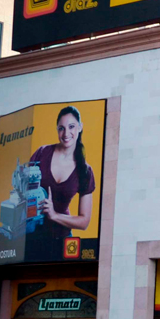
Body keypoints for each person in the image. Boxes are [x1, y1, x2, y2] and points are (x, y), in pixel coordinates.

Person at [32, 106, 97, 253]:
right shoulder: (42, 153)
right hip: (33, 236)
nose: (66, 133)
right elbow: (23, 189)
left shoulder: (85, 171)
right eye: (61, 128)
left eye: (71, 126)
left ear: (80, 127)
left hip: (62, 239)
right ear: (57, 129)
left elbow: (84, 222)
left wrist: (54, 215)